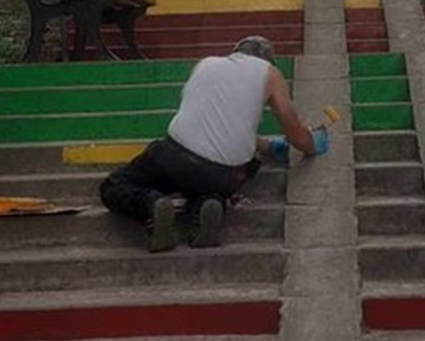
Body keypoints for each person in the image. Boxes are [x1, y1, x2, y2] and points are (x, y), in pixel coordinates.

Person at [99, 36, 329, 252]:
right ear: (268, 60)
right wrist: (313, 143)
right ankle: (207, 205)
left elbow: (207, 123)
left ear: (235, 53)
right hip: (224, 175)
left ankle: (151, 204)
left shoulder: (206, 64)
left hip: (172, 156)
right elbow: (297, 136)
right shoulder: (270, 73)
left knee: (114, 186)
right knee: (206, 185)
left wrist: (267, 145)